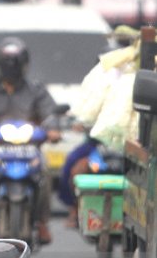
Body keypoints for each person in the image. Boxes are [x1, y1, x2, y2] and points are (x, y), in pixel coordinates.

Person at [0, 36, 61, 244]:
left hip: (29, 148)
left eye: (15, 63)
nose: (11, 68)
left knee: (44, 173)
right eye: (7, 63)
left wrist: (52, 129)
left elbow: (49, 114)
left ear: (24, 64)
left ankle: (43, 222)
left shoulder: (36, 89)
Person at [58, 25, 140, 227]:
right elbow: (84, 112)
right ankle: (74, 208)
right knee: (72, 164)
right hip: (96, 145)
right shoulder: (96, 87)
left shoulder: (130, 83)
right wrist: (79, 123)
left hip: (128, 146)